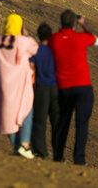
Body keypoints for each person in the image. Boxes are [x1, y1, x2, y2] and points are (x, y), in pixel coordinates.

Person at [48, 10, 98, 165]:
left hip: (63, 88)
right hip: (83, 87)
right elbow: (97, 40)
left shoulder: (54, 39)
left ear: (61, 22)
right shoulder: (80, 38)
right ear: (74, 23)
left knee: (63, 123)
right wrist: (83, 24)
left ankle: (58, 156)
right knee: (82, 124)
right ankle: (79, 159)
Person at [0, 13, 38, 159]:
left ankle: (16, 147)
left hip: (4, 85)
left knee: (8, 116)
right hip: (21, 85)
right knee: (26, 112)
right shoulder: (23, 42)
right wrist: (25, 35)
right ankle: (24, 145)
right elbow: (35, 49)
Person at [30, 22, 60, 159]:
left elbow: (30, 66)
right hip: (56, 89)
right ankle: (58, 154)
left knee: (40, 121)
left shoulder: (36, 50)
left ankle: (41, 152)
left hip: (41, 88)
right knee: (57, 122)